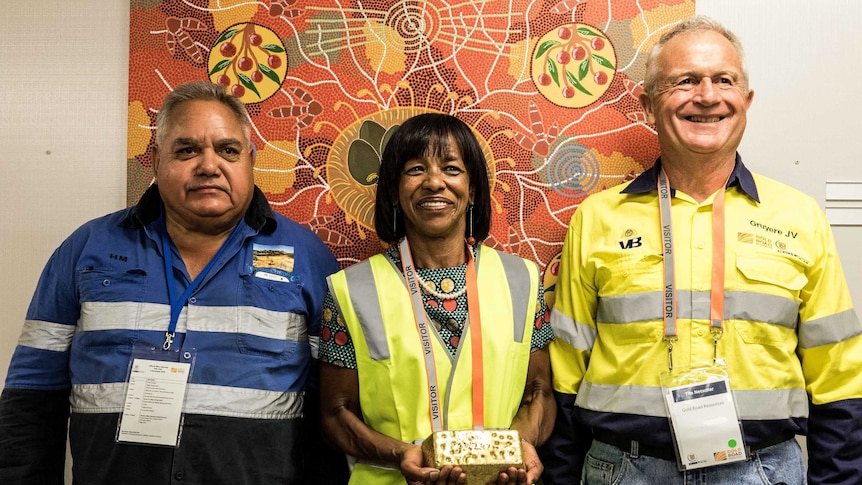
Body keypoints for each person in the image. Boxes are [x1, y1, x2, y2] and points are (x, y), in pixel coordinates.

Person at [541, 15, 862, 485]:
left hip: (763, 471)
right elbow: (567, 375)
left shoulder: (801, 217)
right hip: (624, 470)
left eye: (723, 80)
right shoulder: (596, 219)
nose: (707, 96)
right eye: (685, 81)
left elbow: (839, 377)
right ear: (648, 105)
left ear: (746, 101)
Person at [0, 81, 348, 484]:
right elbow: (31, 397)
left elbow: (331, 407)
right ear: (156, 159)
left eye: (228, 150)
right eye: (187, 150)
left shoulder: (308, 257)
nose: (209, 165)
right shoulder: (86, 249)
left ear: (251, 160)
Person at [318, 113, 556, 484]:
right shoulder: (351, 290)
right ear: (396, 190)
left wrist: (518, 445)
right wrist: (401, 455)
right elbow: (336, 414)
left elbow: (538, 393)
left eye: (451, 168)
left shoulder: (522, 280)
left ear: (473, 188)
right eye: (415, 169)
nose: (433, 182)